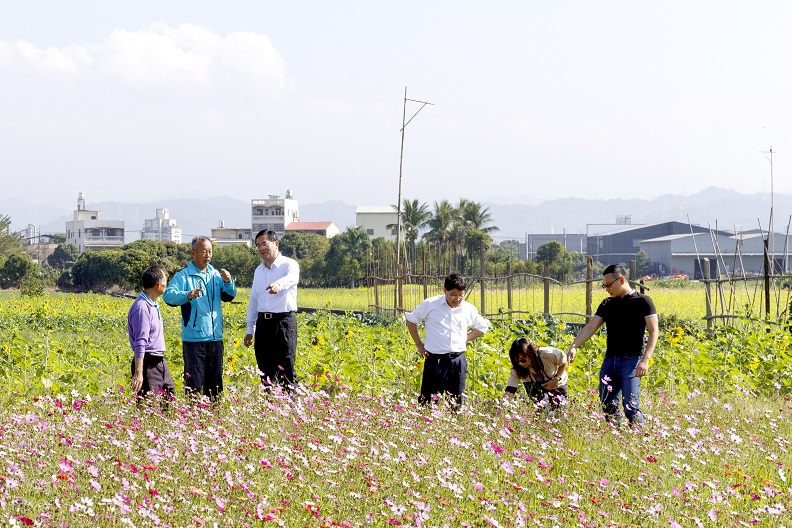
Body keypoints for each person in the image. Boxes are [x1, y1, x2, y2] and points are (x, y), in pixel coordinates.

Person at [568, 264, 658, 426]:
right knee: (607, 403)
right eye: (604, 286)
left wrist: (645, 360)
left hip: (632, 361)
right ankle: (617, 434)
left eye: (608, 285)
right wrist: (574, 345)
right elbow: (590, 327)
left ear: (621, 280)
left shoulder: (643, 302)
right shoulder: (607, 304)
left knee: (631, 406)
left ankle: (639, 438)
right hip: (610, 360)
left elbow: (653, 332)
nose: (606, 289)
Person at [163, 236, 236, 400]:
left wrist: (228, 282)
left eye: (210, 251)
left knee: (215, 384)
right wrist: (187, 295)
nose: (208, 255)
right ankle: (192, 418)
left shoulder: (216, 275)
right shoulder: (184, 276)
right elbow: (168, 296)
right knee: (194, 383)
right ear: (193, 253)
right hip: (194, 338)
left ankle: (214, 416)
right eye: (204, 251)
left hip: (215, 337)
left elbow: (230, 295)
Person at [406, 273, 490, 406]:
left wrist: (464, 339)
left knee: (456, 400)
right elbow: (411, 320)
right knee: (428, 400)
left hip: (457, 360)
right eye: (453, 295)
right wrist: (418, 344)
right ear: (445, 290)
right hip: (435, 360)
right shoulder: (431, 304)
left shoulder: (468, 309)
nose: (456, 299)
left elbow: (481, 327)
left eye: (460, 295)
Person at [244, 230, 300, 389]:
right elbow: (254, 300)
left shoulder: (289, 264)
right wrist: (250, 328)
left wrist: (279, 284)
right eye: (258, 246)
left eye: (264, 244)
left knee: (286, 369)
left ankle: (290, 409)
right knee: (265, 370)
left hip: (283, 323)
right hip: (263, 325)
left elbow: (292, 278)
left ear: (276, 244)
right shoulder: (258, 271)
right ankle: (270, 409)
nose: (261, 248)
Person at [128, 265, 175, 402]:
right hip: (148, 363)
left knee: (170, 400)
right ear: (158, 285)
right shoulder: (142, 307)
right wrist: (139, 372)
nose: (167, 284)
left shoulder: (152, 304)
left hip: (159, 362)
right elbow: (140, 342)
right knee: (148, 407)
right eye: (165, 282)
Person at [504, 338, 568, 410]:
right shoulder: (517, 369)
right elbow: (510, 390)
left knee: (559, 410)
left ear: (530, 354)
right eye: (517, 361)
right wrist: (500, 411)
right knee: (541, 410)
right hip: (534, 384)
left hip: (557, 381)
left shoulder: (548, 354)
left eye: (523, 360)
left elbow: (564, 360)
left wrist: (556, 378)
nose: (520, 364)